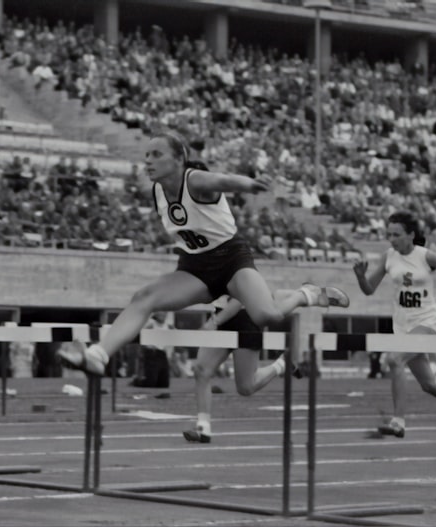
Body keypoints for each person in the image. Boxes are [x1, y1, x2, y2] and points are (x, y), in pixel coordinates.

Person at [59, 132, 349, 378]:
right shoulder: (158, 191)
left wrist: (250, 184)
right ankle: (99, 354)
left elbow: (222, 181)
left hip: (231, 260)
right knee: (143, 298)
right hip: (195, 267)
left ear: (178, 159)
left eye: (156, 154)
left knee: (267, 314)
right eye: (146, 155)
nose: (147, 160)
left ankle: (305, 294)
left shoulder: (194, 180)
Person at [352, 211, 436, 438]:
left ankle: (398, 422)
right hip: (403, 324)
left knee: (394, 360)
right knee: (429, 385)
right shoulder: (389, 257)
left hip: (428, 320)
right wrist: (360, 277)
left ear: (411, 235)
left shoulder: (426, 256)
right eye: (389, 234)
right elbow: (369, 290)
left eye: (396, 234)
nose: (391, 239)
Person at [183, 295, 300, 443]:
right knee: (201, 370)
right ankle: (203, 428)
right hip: (222, 315)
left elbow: (240, 296)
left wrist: (214, 321)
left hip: (245, 318)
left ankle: (282, 364)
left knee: (246, 387)